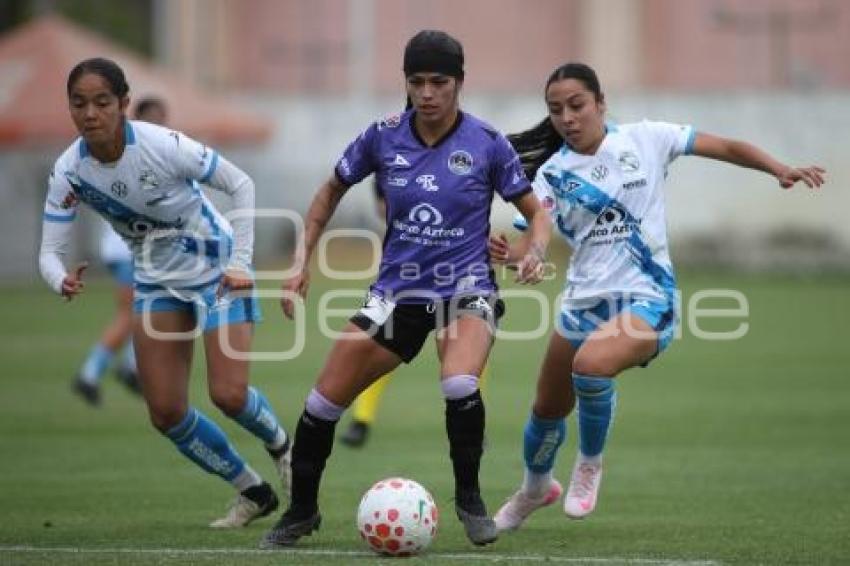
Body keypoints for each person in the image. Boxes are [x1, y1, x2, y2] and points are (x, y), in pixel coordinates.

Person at [489, 62, 825, 532]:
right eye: (556, 109)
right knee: (546, 410)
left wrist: (779, 169)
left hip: (647, 299)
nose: (567, 117)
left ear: (601, 103)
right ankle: (535, 488)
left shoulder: (647, 139)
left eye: (577, 105)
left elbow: (726, 147)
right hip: (583, 303)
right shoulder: (550, 174)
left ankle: (589, 465)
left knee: (591, 365)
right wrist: (516, 256)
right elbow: (534, 239)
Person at [261, 30, 551, 549]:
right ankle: (301, 511)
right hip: (396, 295)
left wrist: (535, 251)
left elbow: (536, 213)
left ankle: (470, 500)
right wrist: (301, 260)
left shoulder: (487, 143)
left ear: (459, 82)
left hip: (466, 289)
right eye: (417, 82)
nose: (427, 93)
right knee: (321, 403)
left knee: (459, 383)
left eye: (439, 81)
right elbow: (329, 191)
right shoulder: (382, 136)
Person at [39, 58, 292, 528]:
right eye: (79, 103)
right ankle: (252, 491)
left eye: (101, 102)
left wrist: (240, 262)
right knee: (165, 412)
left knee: (229, 395)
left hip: (217, 270)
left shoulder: (162, 145)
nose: (90, 113)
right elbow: (49, 253)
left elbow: (241, 183)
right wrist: (60, 279)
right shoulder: (69, 172)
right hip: (156, 282)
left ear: (123, 103)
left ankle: (283, 448)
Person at [71, 96, 169, 406]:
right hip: (128, 248)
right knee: (130, 314)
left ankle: (130, 364)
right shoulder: (134, 153)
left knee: (148, 309)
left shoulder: (139, 150)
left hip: (130, 247)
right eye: (155, 119)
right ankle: (90, 373)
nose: (161, 125)